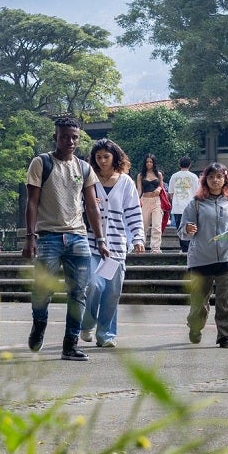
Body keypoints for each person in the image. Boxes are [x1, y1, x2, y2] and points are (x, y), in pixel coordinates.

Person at [23, 116, 110, 362]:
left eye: (74, 137)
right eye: (65, 137)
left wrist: (100, 240)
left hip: (78, 236)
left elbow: (92, 207)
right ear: (55, 137)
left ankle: (70, 344)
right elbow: (31, 202)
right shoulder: (41, 163)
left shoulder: (84, 168)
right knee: (42, 289)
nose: (70, 141)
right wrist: (30, 238)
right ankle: (39, 324)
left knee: (79, 292)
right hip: (49, 236)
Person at [80, 138, 145, 348]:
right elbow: (74, 207)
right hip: (91, 244)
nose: (102, 161)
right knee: (94, 285)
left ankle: (105, 334)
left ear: (115, 157)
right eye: (98, 157)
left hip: (116, 246)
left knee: (111, 293)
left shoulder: (125, 182)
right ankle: (87, 323)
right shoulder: (88, 180)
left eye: (106, 157)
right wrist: (86, 204)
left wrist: (138, 237)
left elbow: (133, 212)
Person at [178, 162, 228, 348]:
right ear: (205, 180)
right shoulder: (195, 204)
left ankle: (226, 336)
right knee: (199, 302)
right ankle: (195, 326)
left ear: (225, 179)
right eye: (211, 177)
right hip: (201, 258)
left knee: (227, 300)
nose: (215, 180)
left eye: (219, 177)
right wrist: (188, 228)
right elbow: (182, 230)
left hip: (227, 258)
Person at [136, 154, 165, 253]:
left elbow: (161, 186)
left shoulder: (158, 174)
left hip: (156, 200)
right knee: (143, 225)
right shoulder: (140, 175)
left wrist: (158, 188)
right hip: (145, 200)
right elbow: (139, 189)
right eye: (147, 161)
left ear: (154, 163)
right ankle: (141, 246)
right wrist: (137, 200)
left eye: (151, 162)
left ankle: (156, 248)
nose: (149, 163)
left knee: (157, 225)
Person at [167, 157, 201, 241]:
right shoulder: (193, 176)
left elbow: (170, 193)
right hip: (190, 207)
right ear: (190, 165)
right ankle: (188, 248)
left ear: (179, 164)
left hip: (177, 207)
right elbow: (197, 193)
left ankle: (183, 249)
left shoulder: (174, 176)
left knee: (180, 229)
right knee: (191, 229)